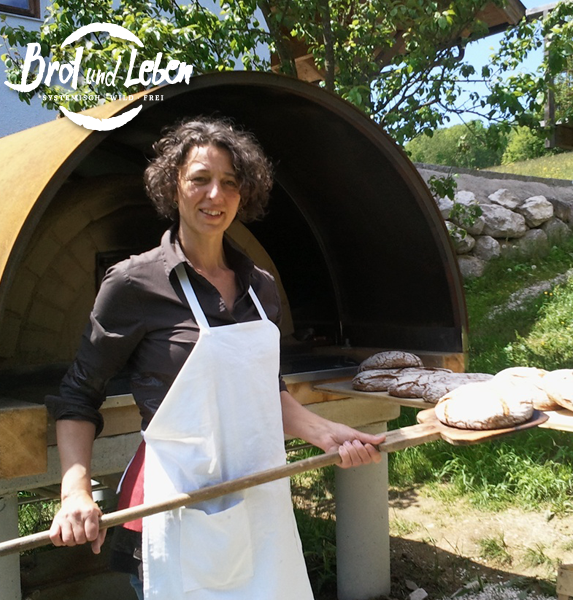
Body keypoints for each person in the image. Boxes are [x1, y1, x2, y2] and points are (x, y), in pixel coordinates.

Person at [44, 117, 385, 599]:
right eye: (200, 179)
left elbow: (266, 392)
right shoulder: (133, 283)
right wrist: (74, 491)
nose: (215, 195)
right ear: (173, 185)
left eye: (229, 183)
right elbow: (78, 396)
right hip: (171, 510)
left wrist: (328, 435)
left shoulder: (260, 286)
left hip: (258, 502)